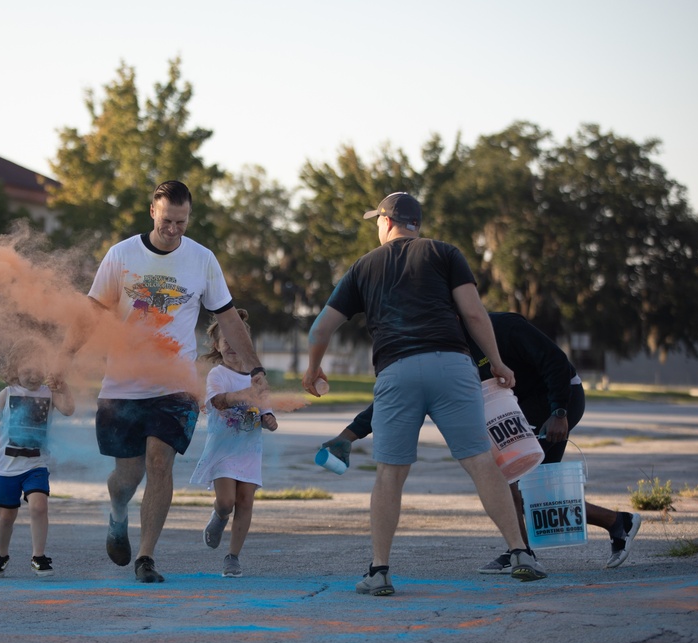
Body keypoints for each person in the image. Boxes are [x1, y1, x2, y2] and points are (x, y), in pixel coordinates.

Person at [303, 192, 545, 596]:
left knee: (390, 474)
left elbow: (320, 330)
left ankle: (379, 571)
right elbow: (472, 313)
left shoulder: (363, 266)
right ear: (417, 224)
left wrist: (313, 369)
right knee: (482, 463)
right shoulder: (445, 253)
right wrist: (498, 363)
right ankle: (520, 553)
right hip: (452, 364)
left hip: (397, 371)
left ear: (385, 221)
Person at [57, 180, 269, 583]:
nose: (174, 229)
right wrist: (64, 359)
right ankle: (117, 515)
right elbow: (89, 313)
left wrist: (254, 366)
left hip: (176, 385)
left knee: (160, 462)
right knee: (126, 477)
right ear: (153, 211)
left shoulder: (203, 260)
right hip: (123, 384)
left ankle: (146, 557)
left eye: (182, 221)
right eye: (168, 220)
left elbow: (227, 317)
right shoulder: (121, 255)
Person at [322, 311, 642, 573]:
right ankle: (608, 526)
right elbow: (400, 397)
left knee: (516, 478)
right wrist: (349, 435)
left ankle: (525, 550)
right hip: (515, 408)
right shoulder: (443, 352)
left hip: (556, 398)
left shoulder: (504, 327)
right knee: (534, 485)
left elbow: (556, 363)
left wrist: (559, 411)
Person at [0, 341, 75, 578]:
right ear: (14, 369)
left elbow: (68, 410)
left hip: (36, 464)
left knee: (39, 506)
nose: (33, 377)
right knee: (6, 515)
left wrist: (64, 388)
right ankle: (1, 555)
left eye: (38, 370)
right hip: (6, 467)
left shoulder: (49, 393)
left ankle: (38, 556)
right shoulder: (8, 394)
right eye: (27, 371)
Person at [189, 309, 278, 578]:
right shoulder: (217, 375)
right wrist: (244, 394)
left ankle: (232, 557)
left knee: (245, 502)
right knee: (226, 501)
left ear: (245, 344)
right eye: (223, 339)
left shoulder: (256, 378)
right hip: (223, 450)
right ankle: (218, 517)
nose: (229, 343)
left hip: (249, 451)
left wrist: (269, 418)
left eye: (234, 338)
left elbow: (264, 409)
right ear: (216, 345)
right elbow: (217, 401)